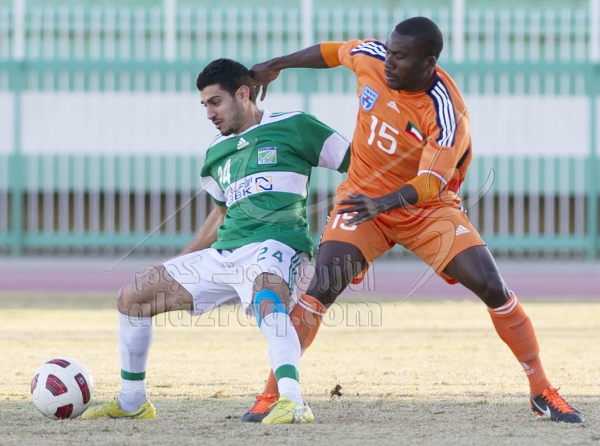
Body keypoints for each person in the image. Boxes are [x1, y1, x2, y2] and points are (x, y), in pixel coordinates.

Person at [247, 16, 583, 423]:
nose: (389, 62)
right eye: (390, 51)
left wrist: (384, 203)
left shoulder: (445, 111)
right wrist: (278, 64)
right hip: (362, 201)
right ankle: (273, 395)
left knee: (492, 286)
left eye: (401, 56)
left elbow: (429, 182)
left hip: (427, 209)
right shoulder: (373, 58)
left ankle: (541, 390)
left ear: (429, 63)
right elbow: (333, 52)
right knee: (321, 288)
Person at [81, 58, 351, 424]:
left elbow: (358, 164)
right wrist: (179, 261)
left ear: (243, 94)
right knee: (133, 296)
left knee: (267, 296)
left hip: (277, 245)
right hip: (224, 256)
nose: (209, 113)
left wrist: (344, 218)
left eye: (215, 102)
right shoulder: (216, 153)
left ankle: (293, 401)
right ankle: (132, 402)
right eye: (205, 105)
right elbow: (222, 214)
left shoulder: (296, 126)